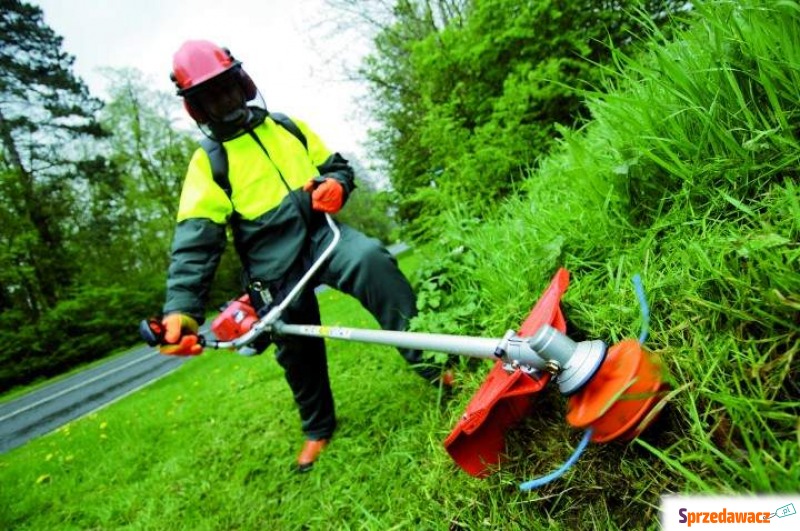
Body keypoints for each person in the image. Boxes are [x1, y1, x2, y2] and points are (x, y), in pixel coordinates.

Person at [157, 40, 451, 472]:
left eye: (228, 88)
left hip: (322, 238)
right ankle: (317, 430)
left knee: (370, 259)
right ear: (197, 110)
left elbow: (336, 165)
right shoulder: (209, 164)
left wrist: (337, 184)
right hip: (271, 265)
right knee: (295, 347)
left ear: (243, 82)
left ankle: (435, 367)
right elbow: (195, 242)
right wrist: (181, 310)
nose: (226, 101)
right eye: (211, 97)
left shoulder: (287, 128)